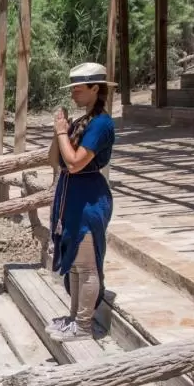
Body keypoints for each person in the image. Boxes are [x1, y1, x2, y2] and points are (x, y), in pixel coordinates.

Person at [45, 62, 116, 342]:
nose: (73, 93)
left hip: (88, 199)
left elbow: (74, 164)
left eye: (78, 88)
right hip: (71, 197)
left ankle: (84, 325)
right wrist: (58, 131)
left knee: (86, 265)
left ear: (95, 89)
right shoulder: (80, 123)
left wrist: (63, 134)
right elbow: (56, 161)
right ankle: (74, 318)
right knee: (74, 262)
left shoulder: (101, 124)